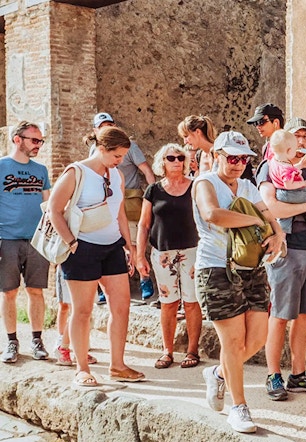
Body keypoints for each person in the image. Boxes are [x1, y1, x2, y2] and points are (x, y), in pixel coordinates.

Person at [193, 131, 284, 433]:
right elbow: (212, 215)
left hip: (251, 267)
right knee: (232, 341)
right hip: (217, 268)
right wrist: (256, 221)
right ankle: (239, 407)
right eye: (231, 158)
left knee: (256, 339)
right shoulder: (205, 182)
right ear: (217, 155)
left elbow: (268, 212)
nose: (238, 164)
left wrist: (278, 233)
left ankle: (219, 373)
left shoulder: (246, 185)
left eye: (243, 159)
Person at [48, 125, 145, 387]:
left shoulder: (116, 175)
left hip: (112, 246)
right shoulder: (76, 172)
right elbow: (54, 210)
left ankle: (118, 365)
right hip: (82, 248)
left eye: (123, 156)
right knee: (82, 310)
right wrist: (72, 243)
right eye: (117, 156)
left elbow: (120, 212)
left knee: (122, 306)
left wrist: (129, 244)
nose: (120, 161)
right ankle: (81, 368)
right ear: (101, 149)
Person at [256, 117, 306, 402]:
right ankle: (273, 374)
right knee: (279, 316)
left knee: (305, 315)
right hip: (285, 250)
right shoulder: (269, 167)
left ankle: (299, 375)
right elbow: (271, 208)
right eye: (296, 136)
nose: (301, 141)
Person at [137, 143, 202, 369]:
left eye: (180, 158)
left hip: (191, 251)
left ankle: (193, 351)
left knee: (192, 302)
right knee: (168, 303)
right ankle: (168, 351)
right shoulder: (153, 190)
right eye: (171, 158)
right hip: (162, 252)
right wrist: (139, 257)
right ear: (162, 162)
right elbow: (144, 225)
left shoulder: (195, 187)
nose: (176, 162)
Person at [0, 121, 51, 363]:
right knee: (9, 292)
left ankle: (37, 340)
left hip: (37, 241)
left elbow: (48, 206)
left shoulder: (41, 170)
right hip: (7, 239)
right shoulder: (1, 166)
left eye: (40, 140)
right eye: (34, 140)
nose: (38, 145)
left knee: (35, 291)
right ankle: (11, 342)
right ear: (17, 139)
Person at [92, 113, 157, 302]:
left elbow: (145, 169)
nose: (107, 127)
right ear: (95, 130)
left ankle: (144, 280)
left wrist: (153, 195)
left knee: (134, 243)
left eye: (110, 124)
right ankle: (104, 287)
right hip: (105, 201)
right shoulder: (94, 152)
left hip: (128, 199)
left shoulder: (130, 146)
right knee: (107, 244)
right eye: (102, 125)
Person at [268, 129, 306, 244]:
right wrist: (304, 184)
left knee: (284, 219)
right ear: (289, 150)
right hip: (295, 193)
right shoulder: (285, 167)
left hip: (281, 195)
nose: (300, 142)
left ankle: (282, 239)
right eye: (296, 136)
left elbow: (289, 169)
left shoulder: (274, 161)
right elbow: (288, 183)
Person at [54, 266, 97, 366]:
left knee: (86, 313)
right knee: (77, 312)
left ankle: (81, 352)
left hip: (88, 271)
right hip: (70, 270)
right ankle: (63, 348)